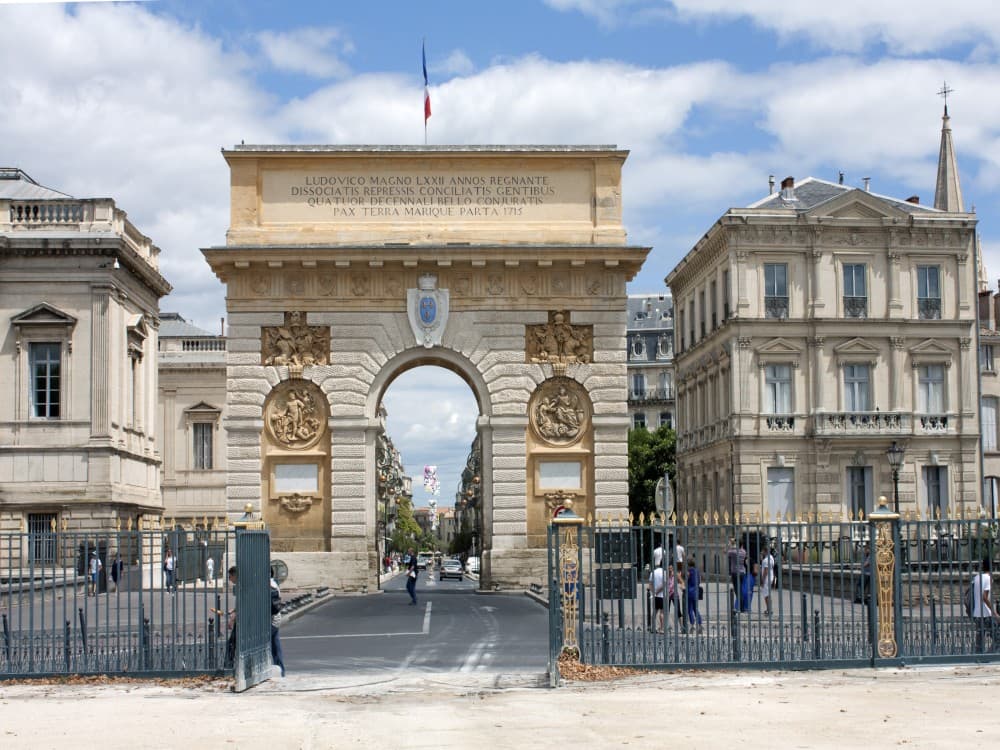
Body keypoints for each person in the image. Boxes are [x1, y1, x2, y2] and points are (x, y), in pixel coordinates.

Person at [972, 557, 1000, 652]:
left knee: (979, 640)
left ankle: (979, 657)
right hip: (986, 614)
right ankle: (988, 656)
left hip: (977, 614)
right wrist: (995, 613)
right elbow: (984, 597)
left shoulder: (976, 578)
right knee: (997, 637)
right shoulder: (988, 579)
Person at [270, 567, 286, 677]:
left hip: (273, 619)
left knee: (270, 645)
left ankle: (276, 668)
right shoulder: (273, 583)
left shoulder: (271, 585)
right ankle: (280, 669)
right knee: (276, 646)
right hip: (276, 618)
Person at [685, 555, 702, 634]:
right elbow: (699, 581)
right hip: (696, 591)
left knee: (689, 609)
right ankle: (700, 624)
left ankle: (692, 625)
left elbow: (686, 579)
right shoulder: (697, 571)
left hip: (689, 591)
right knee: (696, 609)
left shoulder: (689, 571)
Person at [648, 562, 666, 633]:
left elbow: (650, 584)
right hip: (662, 595)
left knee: (654, 612)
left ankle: (653, 628)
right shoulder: (664, 573)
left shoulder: (653, 572)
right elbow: (664, 584)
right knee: (662, 613)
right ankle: (661, 629)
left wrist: (654, 592)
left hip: (655, 596)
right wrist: (657, 591)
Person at [759, 546, 775, 616]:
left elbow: (765, 571)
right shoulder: (771, 558)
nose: (761, 552)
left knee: (766, 595)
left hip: (767, 579)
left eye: (762, 551)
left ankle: (769, 609)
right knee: (768, 594)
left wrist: (762, 580)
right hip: (771, 577)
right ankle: (769, 608)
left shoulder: (766, 560)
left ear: (765, 551)